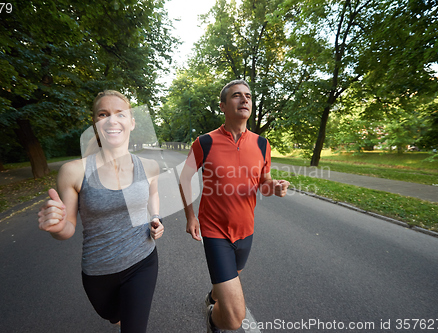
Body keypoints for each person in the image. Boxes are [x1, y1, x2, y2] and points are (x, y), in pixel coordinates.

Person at [37, 90, 164, 333]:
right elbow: (68, 228)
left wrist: (155, 217)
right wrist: (57, 227)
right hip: (98, 272)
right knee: (114, 317)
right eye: (103, 114)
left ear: (132, 122)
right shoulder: (73, 172)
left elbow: (153, 194)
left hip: (142, 261)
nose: (112, 120)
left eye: (120, 114)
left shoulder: (149, 166)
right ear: (95, 123)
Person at [179, 80, 289, 332]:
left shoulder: (262, 144)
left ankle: (213, 297)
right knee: (234, 318)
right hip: (215, 231)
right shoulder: (205, 142)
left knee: (227, 281)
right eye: (237, 96)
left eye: (248, 96)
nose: (245, 100)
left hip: (246, 232)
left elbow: (264, 183)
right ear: (223, 106)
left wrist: (275, 187)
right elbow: (185, 178)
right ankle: (212, 318)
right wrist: (190, 216)